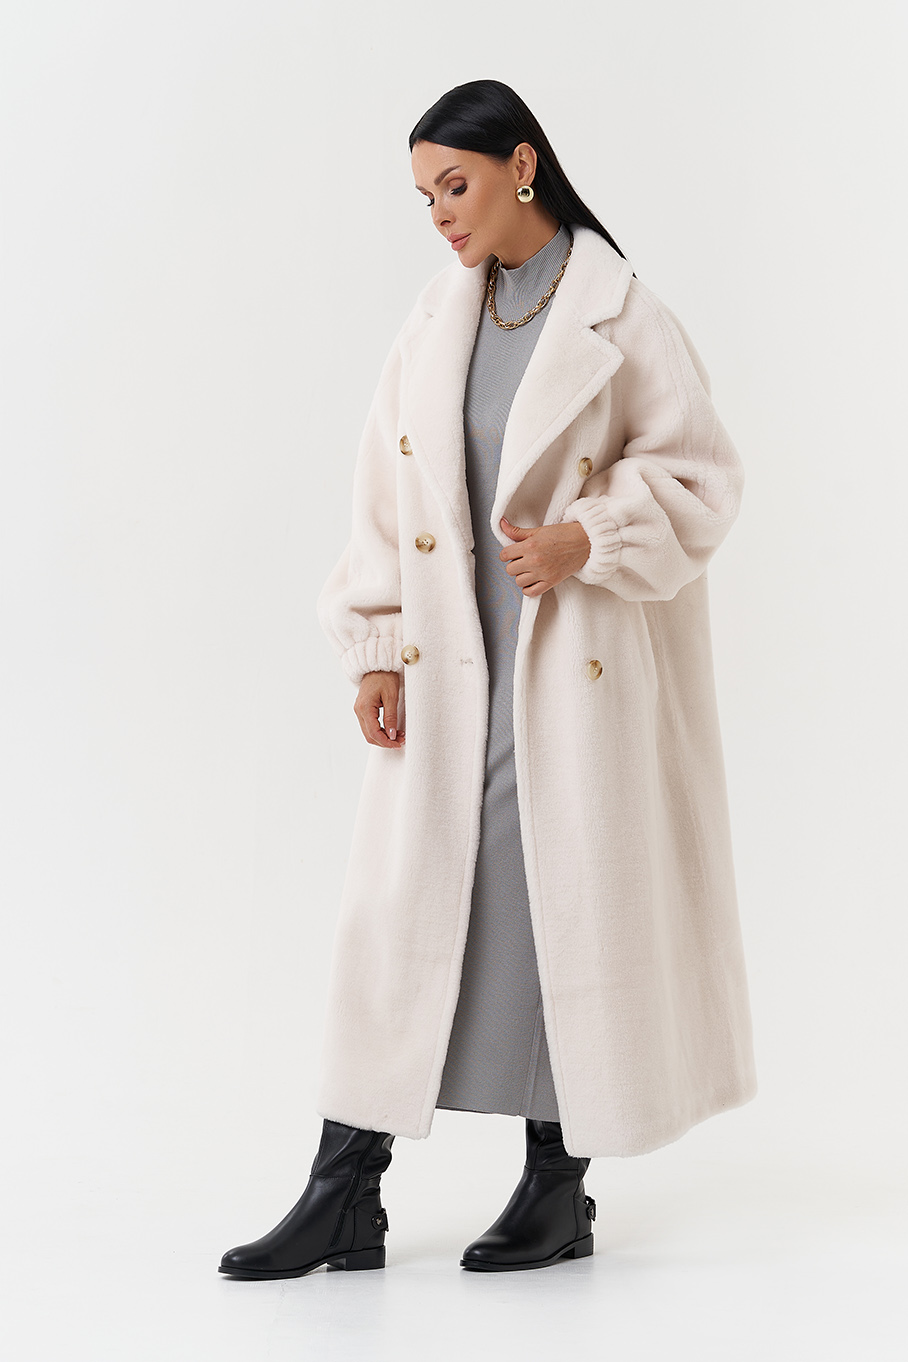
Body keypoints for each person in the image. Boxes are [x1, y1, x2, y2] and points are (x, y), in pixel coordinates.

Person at [219, 78, 756, 1280]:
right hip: (449, 669)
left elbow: (702, 477)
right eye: (422, 197)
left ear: (522, 164)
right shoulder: (437, 317)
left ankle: (555, 1188)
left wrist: (587, 539)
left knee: (560, 913)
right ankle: (343, 1190)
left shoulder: (624, 315)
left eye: (452, 186)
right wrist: (372, 645)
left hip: (572, 673)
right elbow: (386, 490)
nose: (439, 215)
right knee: (398, 915)